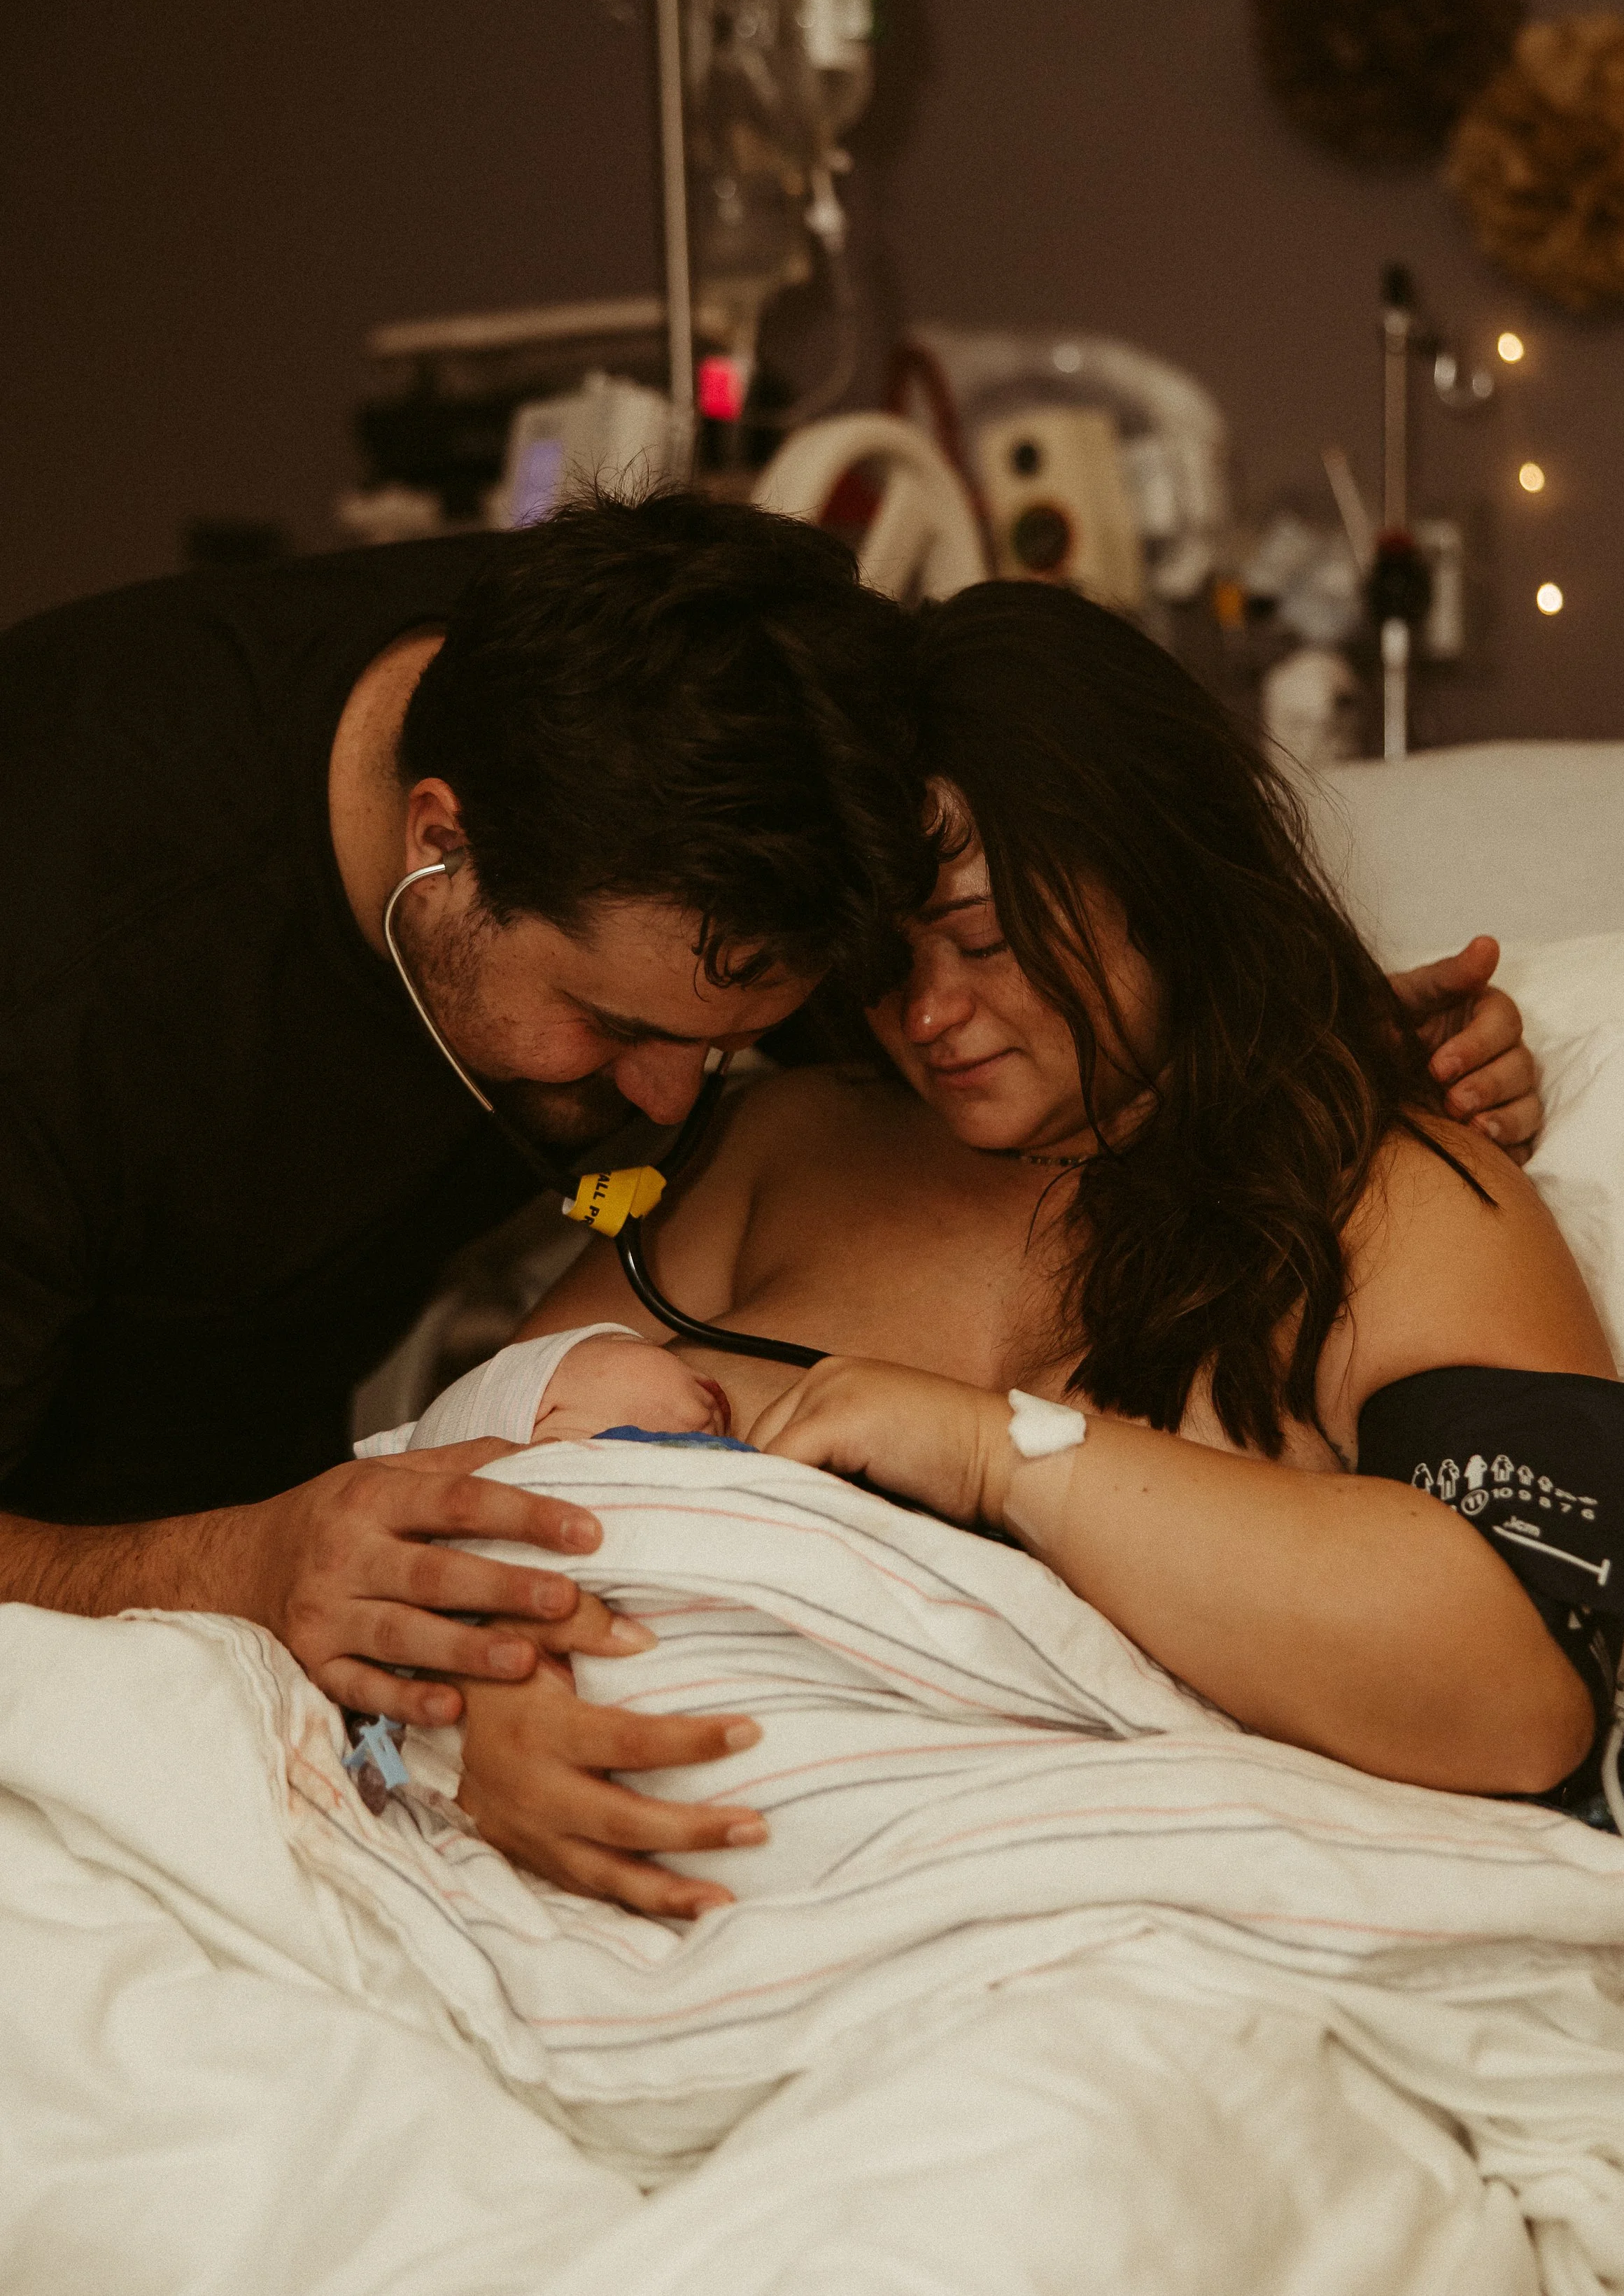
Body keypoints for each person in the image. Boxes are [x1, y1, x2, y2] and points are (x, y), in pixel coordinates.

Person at [452, 583, 1624, 1922]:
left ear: (1161, 875)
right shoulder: (769, 1150)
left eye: (986, 936)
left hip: (1108, 1943)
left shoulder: (1388, 1195)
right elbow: (471, 1472)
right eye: (881, 961)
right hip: (621, 1898)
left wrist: (990, 1452)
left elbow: (1521, 1694)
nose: (930, 1011)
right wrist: (492, 1711)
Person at [0, 495, 932, 1767]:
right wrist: (244, 1556)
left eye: (718, 1043)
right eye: (612, 1025)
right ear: (441, 845)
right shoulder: (68, 982)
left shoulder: (661, 698)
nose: (668, 1099)